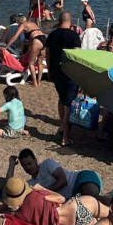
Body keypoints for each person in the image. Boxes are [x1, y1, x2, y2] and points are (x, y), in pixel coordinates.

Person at [0, 177, 108, 225]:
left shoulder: (22, 215)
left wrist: (5, 205)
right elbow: (61, 199)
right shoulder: (37, 194)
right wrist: (42, 188)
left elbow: (9, 212)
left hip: (75, 223)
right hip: (75, 206)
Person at [47, 12, 83, 146]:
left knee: (62, 98)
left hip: (57, 72)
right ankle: (65, 138)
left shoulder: (52, 35)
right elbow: (77, 57)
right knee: (68, 104)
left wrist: (50, 71)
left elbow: (48, 55)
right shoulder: (74, 35)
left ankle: (62, 126)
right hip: (70, 73)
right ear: (71, 21)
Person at [11, 149, 80, 197]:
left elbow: (63, 180)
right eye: (24, 166)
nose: (28, 168)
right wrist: (11, 164)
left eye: (29, 164)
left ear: (35, 160)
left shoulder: (47, 164)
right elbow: (10, 187)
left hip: (78, 179)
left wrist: (44, 192)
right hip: (73, 197)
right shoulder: (31, 184)